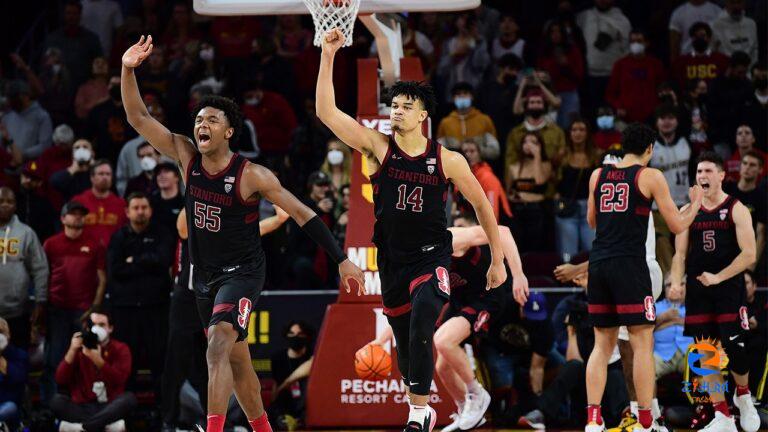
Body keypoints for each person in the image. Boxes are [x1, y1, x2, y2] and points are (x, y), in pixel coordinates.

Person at [121, 35, 364, 432]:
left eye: (212, 120)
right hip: (204, 277)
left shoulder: (251, 175)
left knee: (217, 345)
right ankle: (264, 428)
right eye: (199, 119)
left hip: (243, 273)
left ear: (230, 131)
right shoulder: (186, 156)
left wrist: (341, 260)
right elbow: (139, 119)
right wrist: (128, 70)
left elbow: (302, 213)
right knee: (238, 361)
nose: (202, 124)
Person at [317, 28, 506, 432]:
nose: (397, 111)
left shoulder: (447, 159)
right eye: (394, 105)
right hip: (392, 261)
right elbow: (327, 114)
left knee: (425, 317)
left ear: (424, 115)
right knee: (406, 346)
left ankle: (418, 412)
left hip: (432, 255)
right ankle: (421, 402)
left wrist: (499, 260)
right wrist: (328, 56)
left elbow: (481, 206)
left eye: (406, 106)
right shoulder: (377, 147)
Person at [583, 123, 704, 432]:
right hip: (629, 265)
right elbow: (677, 226)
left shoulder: (598, 176)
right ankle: (646, 420)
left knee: (601, 345)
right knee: (641, 342)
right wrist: (697, 205)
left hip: (599, 263)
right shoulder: (650, 176)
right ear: (650, 148)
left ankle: (593, 420)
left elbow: (592, 221)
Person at [670, 151, 760, 432]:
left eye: (708, 171)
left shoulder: (736, 208)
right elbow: (679, 254)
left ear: (721, 175)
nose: (702, 177)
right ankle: (722, 415)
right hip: (699, 290)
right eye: (699, 172)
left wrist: (718, 277)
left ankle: (743, 395)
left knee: (735, 348)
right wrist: (675, 282)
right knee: (705, 352)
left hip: (729, 288)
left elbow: (750, 255)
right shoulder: (688, 210)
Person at [433, 214, 527, 431]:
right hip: (460, 301)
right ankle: (467, 409)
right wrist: (379, 342)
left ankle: (477, 394)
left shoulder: (453, 238)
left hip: (486, 296)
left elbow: (503, 232)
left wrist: (519, 275)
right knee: (442, 366)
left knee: (443, 341)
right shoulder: (418, 253)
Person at [107, 192, 174, 397]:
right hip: (126, 312)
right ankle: (125, 414)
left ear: (151, 210)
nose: (140, 212)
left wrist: (132, 261)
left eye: (144, 207)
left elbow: (163, 261)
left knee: (160, 363)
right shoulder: (118, 237)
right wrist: (147, 263)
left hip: (156, 309)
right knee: (128, 364)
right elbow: (115, 270)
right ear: (127, 212)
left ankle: (165, 417)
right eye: (135, 208)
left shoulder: (162, 233)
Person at [42, 200, 107, 405]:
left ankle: (83, 402)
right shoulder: (51, 244)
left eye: (81, 214)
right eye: (73, 213)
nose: (77, 217)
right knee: (54, 359)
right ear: (63, 218)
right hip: (57, 309)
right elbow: (44, 276)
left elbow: (102, 278)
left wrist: (94, 307)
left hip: (83, 311)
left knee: (85, 359)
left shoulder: (95, 243)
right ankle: (52, 406)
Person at [52, 308, 137, 432]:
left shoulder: (121, 348)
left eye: (102, 325)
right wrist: (72, 350)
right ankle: (104, 426)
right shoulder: (79, 347)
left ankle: (83, 428)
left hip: (110, 406)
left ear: (110, 328)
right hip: (82, 406)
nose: (96, 329)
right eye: (93, 325)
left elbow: (120, 379)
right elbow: (60, 379)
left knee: (129, 399)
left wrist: (98, 360)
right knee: (57, 401)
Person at [0, 188, 48, 350]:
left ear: (15, 206)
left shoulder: (26, 233)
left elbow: (40, 269)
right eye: (1, 201)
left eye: (10, 202)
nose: (5, 205)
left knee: (18, 362)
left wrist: (41, 301)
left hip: (17, 312)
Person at [650, 104, 692, 275]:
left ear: (677, 121)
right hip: (658, 208)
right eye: (663, 118)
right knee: (661, 244)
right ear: (656, 122)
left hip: (684, 205)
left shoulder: (686, 143)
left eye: (670, 118)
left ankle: (684, 281)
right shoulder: (651, 147)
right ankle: (671, 282)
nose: (666, 122)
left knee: (686, 245)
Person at [576, 0, 631, 116]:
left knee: (611, 111)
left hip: (612, 75)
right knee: (592, 111)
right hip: (590, 75)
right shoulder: (584, 16)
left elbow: (627, 50)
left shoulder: (622, 20)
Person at [555, 119, 596, 259]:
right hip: (567, 208)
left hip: (590, 208)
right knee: (567, 253)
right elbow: (553, 179)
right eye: (574, 130)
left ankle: (591, 280)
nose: (577, 133)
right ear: (569, 133)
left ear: (587, 133)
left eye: (581, 129)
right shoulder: (562, 155)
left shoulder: (596, 155)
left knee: (592, 250)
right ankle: (567, 280)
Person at [505, 132, 552, 253]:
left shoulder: (546, 165)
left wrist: (537, 155)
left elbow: (539, 181)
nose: (529, 145)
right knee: (518, 248)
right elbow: (508, 190)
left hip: (537, 210)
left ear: (540, 146)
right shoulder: (514, 167)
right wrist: (512, 196)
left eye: (534, 142)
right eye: (525, 142)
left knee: (535, 249)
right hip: (518, 210)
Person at [605, 29, 665, 124]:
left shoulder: (656, 65)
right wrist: (619, 107)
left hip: (651, 117)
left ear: (647, 43)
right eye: (632, 41)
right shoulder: (620, 65)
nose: (635, 44)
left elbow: (662, 90)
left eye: (639, 41)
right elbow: (611, 93)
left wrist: (657, 108)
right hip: (627, 118)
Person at [42, 0, 103, 88]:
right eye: (68, 13)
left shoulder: (91, 39)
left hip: (84, 88)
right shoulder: (53, 39)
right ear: (64, 15)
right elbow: (46, 65)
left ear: (80, 15)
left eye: (74, 13)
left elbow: (99, 64)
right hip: (59, 89)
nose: (71, 17)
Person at [723, 150, 766, 274]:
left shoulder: (762, 198)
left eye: (752, 165)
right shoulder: (726, 189)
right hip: (722, 250)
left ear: (760, 170)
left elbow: (761, 234)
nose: (747, 167)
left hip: (745, 251)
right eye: (745, 163)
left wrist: (750, 268)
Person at [536, 21, 584, 129]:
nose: (556, 34)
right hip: (549, 94)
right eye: (552, 31)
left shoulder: (573, 50)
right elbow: (540, 72)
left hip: (569, 93)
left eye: (558, 31)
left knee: (570, 126)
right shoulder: (544, 51)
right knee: (550, 127)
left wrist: (566, 65)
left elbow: (579, 76)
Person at [436, 82, 500, 160]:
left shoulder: (484, 120)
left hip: (479, 168)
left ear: (472, 96)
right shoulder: (445, 123)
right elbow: (438, 151)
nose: (462, 96)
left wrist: (476, 152)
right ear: (453, 99)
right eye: (458, 94)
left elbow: (495, 151)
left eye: (465, 93)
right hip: (453, 168)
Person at [268, 322, 314, 428]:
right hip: (286, 401)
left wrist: (287, 382)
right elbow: (276, 384)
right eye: (292, 334)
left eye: (300, 334)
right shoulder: (278, 357)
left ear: (307, 337)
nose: (295, 338)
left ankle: (299, 421)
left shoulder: (312, 355)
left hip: (306, 401)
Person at [505, 91, 566, 170]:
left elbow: (563, 159)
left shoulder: (557, 132)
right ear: (526, 106)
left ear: (544, 105)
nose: (535, 105)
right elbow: (510, 160)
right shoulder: (515, 133)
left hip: (551, 178)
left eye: (539, 102)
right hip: (522, 178)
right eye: (532, 102)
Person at [73, 160, 127, 247]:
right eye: (101, 174)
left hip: (112, 253)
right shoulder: (79, 201)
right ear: (92, 178)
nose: (105, 177)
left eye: (108, 174)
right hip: (85, 252)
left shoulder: (121, 204)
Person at [0, 80, 53, 161]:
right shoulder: (7, 115)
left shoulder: (42, 116)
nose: (9, 102)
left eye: (13, 98)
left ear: (25, 97)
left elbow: (45, 146)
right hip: (7, 165)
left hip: (30, 166)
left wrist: (23, 154)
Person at [459, 141, 511, 222]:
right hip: (474, 224)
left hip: (499, 225)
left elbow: (493, 212)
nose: (468, 155)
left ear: (479, 154)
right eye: (465, 151)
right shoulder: (460, 177)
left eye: (472, 151)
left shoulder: (487, 177)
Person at [652, 278, 692, 380]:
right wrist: (663, 318)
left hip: (689, 352)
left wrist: (667, 323)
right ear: (664, 289)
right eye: (669, 285)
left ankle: (705, 396)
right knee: (646, 370)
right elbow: (645, 331)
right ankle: (652, 397)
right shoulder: (654, 307)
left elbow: (703, 329)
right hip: (661, 353)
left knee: (706, 367)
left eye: (681, 284)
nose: (674, 288)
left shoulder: (695, 307)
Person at [672, 22, 729, 88]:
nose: (699, 38)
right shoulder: (681, 62)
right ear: (692, 39)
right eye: (696, 36)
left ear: (709, 38)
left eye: (702, 36)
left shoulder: (722, 60)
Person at [17, 161, 58, 241]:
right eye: (26, 176)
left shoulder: (45, 205)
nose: (28, 180)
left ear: (40, 182)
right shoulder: (10, 199)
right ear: (21, 176)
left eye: (33, 178)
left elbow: (49, 233)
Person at [0, 318, 29, 430]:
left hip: (7, 405)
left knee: (10, 407)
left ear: (8, 335)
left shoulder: (19, 356)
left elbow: (18, 380)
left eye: (1, 332)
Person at [743, 270, 767, 394]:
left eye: (746, 283)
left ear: (754, 285)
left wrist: (757, 325)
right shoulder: (732, 305)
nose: (743, 286)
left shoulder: (763, 304)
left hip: (760, 345)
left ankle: (757, 394)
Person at [149, 162, 184, 234]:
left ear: (177, 177)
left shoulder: (185, 203)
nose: (162, 175)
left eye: (166, 171)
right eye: (158, 173)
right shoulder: (150, 202)